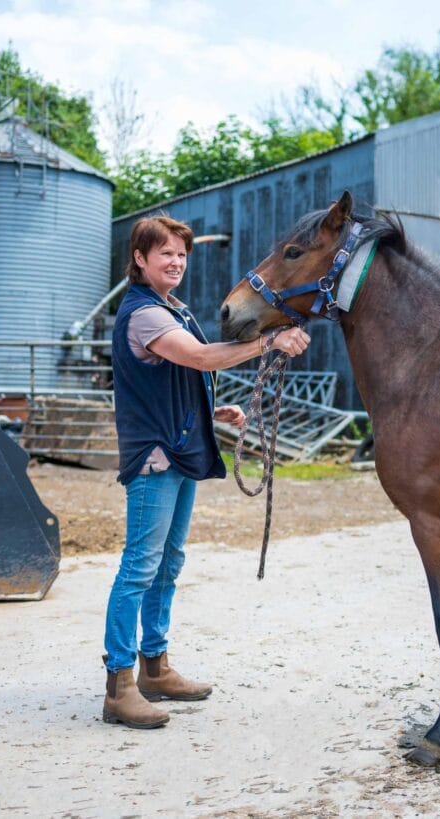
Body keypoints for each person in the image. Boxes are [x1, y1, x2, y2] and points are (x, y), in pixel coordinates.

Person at [102, 214, 310, 729]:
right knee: (140, 567)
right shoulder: (144, 314)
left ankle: (155, 667)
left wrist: (211, 411)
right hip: (155, 457)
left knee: (167, 564)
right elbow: (197, 358)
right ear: (140, 259)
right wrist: (270, 342)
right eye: (165, 254)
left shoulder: (171, 308)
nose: (176, 262)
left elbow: (167, 381)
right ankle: (119, 686)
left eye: (181, 254)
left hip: (177, 449)